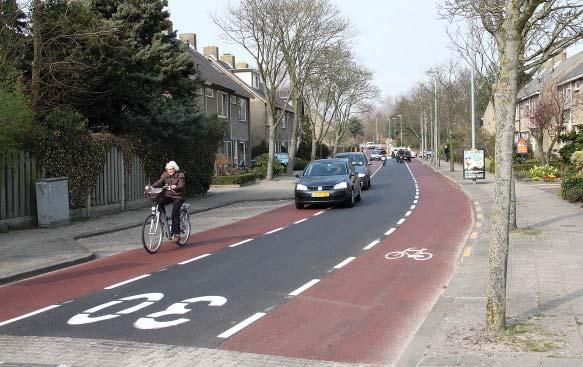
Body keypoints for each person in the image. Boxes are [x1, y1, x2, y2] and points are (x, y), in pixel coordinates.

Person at [145, 161, 185, 243]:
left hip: (178, 196)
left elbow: (182, 186)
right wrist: (150, 187)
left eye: (172, 169)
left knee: (175, 212)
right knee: (159, 202)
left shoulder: (180, 175)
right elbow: (159, 182)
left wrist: (176, 187)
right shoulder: (165, 175)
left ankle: (177, 235)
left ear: (175, 169)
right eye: (169, 169)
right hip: (168, 195)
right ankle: (164, 218)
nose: (170, 171)